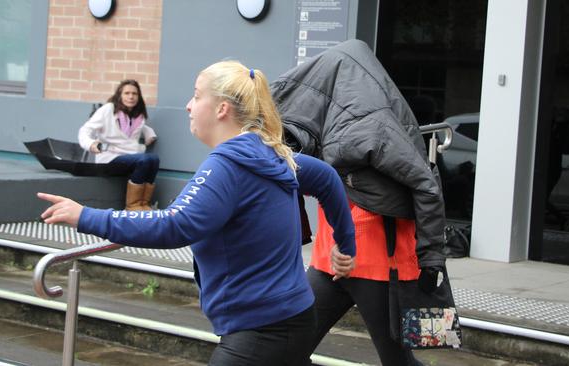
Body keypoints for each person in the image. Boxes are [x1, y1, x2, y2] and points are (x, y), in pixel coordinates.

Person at [38, 60, 356, 366]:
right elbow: (327, 177)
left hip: (261, 328)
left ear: (221, 109)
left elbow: (175, 224)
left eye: (196, 95)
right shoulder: (269, 152)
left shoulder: (228, 165)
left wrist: (86, 216)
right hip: (290, 316)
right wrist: (345, 244)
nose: (189, 105)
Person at [271, 39, 446, 366]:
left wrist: (431, 255)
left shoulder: (372, 126)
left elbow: (425, 183)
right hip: (329, 259)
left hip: (378, 262)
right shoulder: (329, 122)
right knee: (284, 352)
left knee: (399, 361)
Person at [78, 79, 160, 211]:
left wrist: (149, 132)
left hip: (130, 157)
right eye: (127, 93)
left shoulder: (138, 114)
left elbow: (135, 127)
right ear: (119, 95)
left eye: (135, 94)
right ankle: (132, 206)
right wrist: (91, 144)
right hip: (109, 159)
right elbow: (85, 130)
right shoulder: (108, 110)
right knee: (145, 160)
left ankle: (144, 204)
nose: (131, 97)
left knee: (154, 159)